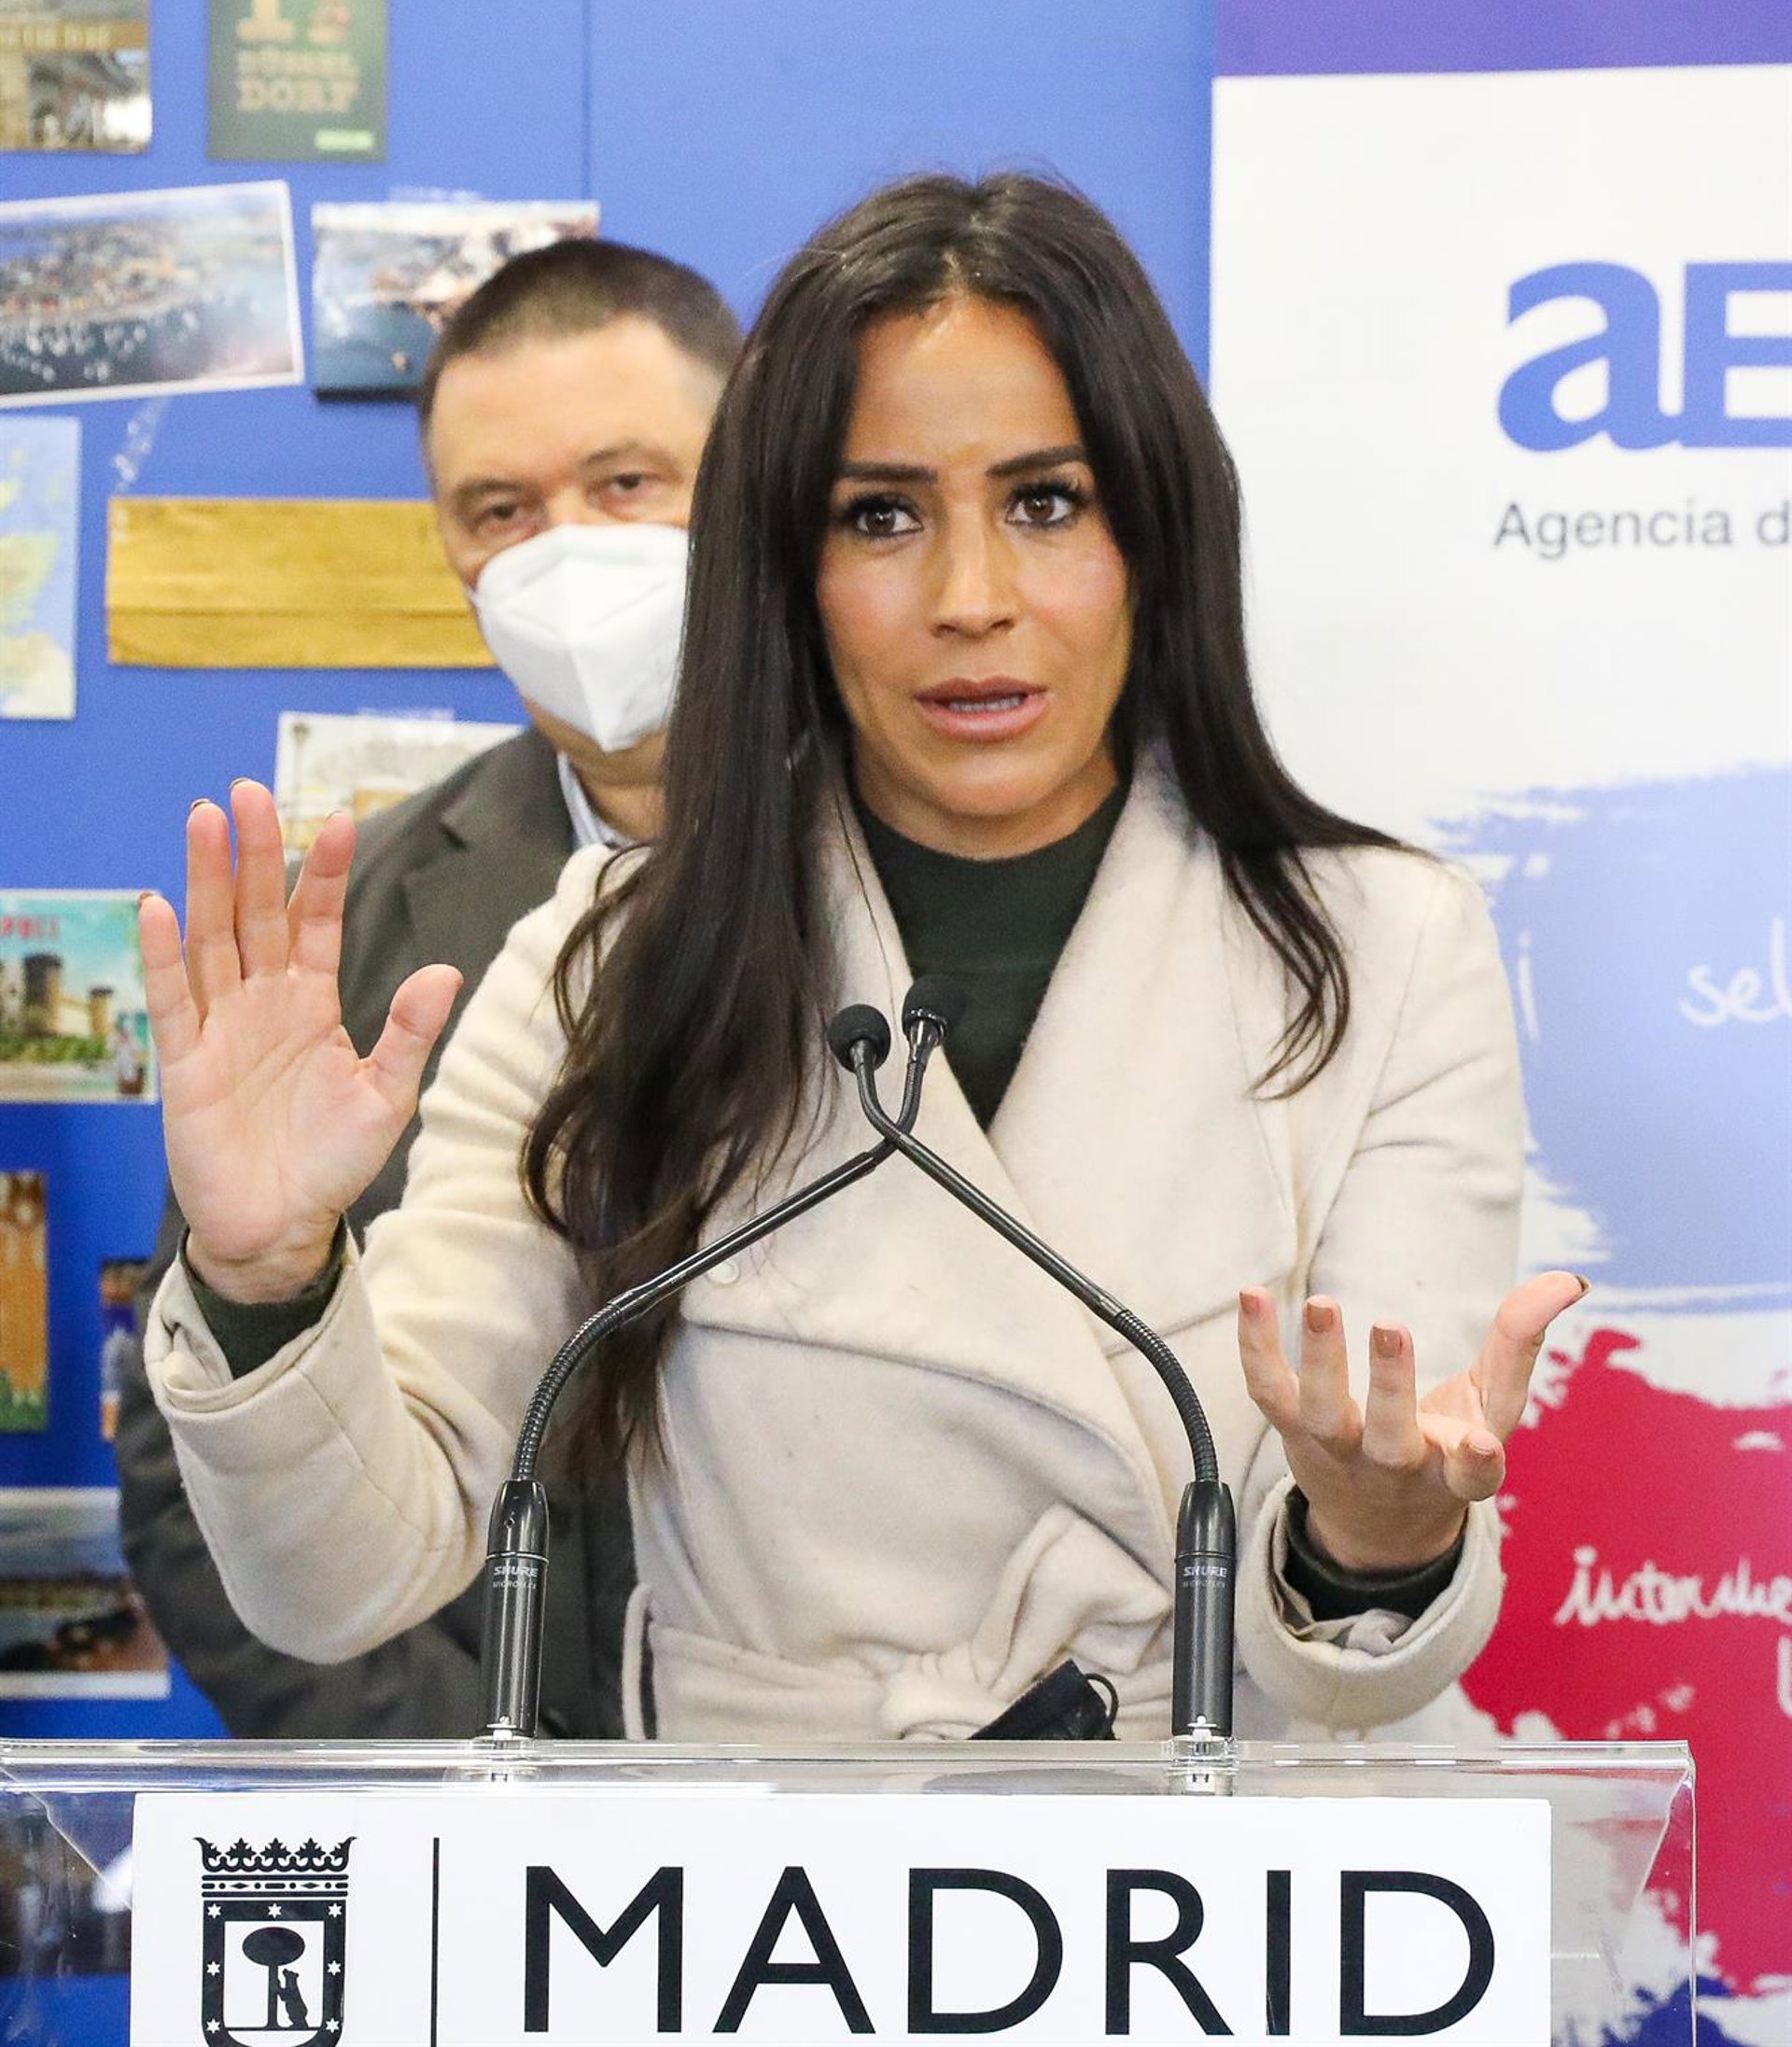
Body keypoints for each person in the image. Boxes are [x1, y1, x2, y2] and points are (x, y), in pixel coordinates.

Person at [137, 174, 1586, 1743]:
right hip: (757, 1857)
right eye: (881, 516)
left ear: (1156, 531)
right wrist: (267, 1278)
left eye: (1047, 501)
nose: (972, 601)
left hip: (1200, 1849)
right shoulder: (607, 961)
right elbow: (349, 1573)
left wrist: (1376, 1539)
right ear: (785, 566)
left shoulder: (1382, 950)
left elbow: (1358, 1659)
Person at [113, 237, 741, 1738]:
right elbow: (202, 1460)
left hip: (860, 1809)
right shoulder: (352, 928)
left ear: (750, 487)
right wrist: (477, 1777)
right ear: (452, 549)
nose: (565, 550)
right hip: (482, 1813)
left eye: (627, 482)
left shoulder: (929, 857)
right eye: (501, 510)